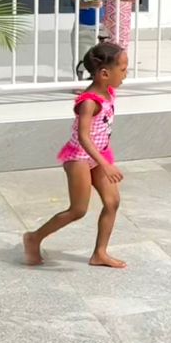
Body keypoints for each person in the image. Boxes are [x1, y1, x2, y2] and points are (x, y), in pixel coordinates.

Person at [23, 42, 129, 269]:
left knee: (112, 202)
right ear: (104, 73)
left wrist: (103, 160)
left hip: (98, 154)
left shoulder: (109, 92)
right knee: (78, 210)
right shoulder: (89, 102)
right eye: (122, 69)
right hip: (79, 157)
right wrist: (106, 165)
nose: (125, 75)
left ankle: (100, 253)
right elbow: (83, 137)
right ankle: (33, 237)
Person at [68, 0, 103, 79]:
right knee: (81, 55)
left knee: (98, 57)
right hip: (82, 28)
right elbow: (76, 1)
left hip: (99, 27)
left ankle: (94, 78)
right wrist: (89, 3)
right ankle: (77, 80)